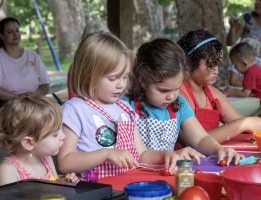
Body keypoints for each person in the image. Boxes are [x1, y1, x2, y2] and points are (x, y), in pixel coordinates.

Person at [57, 32, 182, 182]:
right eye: (113, 78)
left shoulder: (124, 108)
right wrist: (105, 154)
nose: (121, 84)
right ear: (89, 75)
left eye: (124, 77)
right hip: (97, 190)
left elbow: (141, 154)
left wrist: (163, 155)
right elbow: (64, 163)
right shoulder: (75, 109)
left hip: (129, 185)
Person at [123, 38, 243, 166]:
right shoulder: (125, 107)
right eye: (163, 90)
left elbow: (201, 139)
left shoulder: (179, 104)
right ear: (143, 80)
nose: (171, 97)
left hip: (166, 173)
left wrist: (219, 149)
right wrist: (170, 155)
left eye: (177, 89)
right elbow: (139, 154)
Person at [176, 29, 261, 144]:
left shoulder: (213, 94)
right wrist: (243, 124)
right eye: (211, 64)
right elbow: (192, 141)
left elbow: (246, 126)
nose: (216, 70)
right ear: (189, 63)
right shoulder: (178, 95)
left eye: (217, 63)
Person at [0, 94, 79, 186]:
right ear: (28, 142)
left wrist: (64, 184)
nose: (63, 136)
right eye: (55, 135)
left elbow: (53, 191)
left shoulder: (46, 159)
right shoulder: (8, 170)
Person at [0, 17, 49, 127]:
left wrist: (32, 99)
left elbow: (45, 85)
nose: (15, 34)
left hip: (31, 103)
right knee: (27, 119)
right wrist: (19, 100)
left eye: (17, 30)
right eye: (10, 32)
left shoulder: (32, 56)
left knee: (53, 112)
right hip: (2, 106)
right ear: (1, 35)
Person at [226, 0, 261, 81]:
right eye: (256, 0)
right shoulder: (246, 17)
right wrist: (232, 28)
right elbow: (230, 42)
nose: (257, 2)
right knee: (246, 92)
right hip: (246, 67)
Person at [225, 42, 261, 113]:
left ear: (244, 63)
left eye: (236, 65)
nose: (235, 68)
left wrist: (230, 91)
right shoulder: (256, 68)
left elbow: (245, 93)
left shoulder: (250, 73)